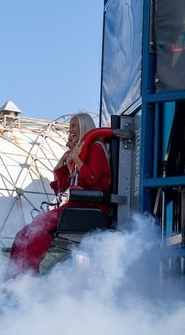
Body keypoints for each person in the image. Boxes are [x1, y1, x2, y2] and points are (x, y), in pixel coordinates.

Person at [7, 113, 112, 278]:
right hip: (77, 203)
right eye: (70, 126)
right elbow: (63, 190)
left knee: (41, 224)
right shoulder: (78, 153)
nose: (71, 130)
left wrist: (76, 159)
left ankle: (28, 272)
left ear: (84, 126)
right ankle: (14, 273)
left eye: (74, 126)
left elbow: (93, 181)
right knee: (23, 233)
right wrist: (62, 166)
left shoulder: (95, 148)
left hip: (91, 205)